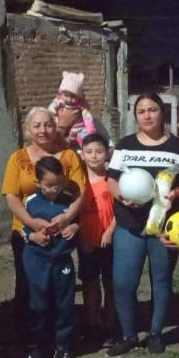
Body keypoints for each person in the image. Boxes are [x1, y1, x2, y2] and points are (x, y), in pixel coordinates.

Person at [106, 92, 179, 357]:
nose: (147, 115)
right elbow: (111, 179)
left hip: (164, 228)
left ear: (162, 112)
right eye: (142, 111)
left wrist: (176, 194)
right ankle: (129, 335)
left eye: (152, 110)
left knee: (162, 280)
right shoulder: (125, 144)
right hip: (129, 225)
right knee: (123, 283)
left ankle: (156, 334)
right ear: (136, 116)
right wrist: (122, 196)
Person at [1, 107, 86, 358]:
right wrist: (32, 224)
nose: (42, 130)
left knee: (60, 292)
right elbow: (11, 196)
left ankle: (60, 342)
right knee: (29, 289)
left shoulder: (69, 156)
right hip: (28, 235)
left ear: (55, 126)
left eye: (48, 124)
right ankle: (30, 343)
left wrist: (68, 219)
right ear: (29, 129)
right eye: (36, 125)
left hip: (61, 234)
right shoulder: (18, 158)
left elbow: (80, 193)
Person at [22, 156, 80, 358]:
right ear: (38, 183)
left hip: (62, 261)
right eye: (48, 186)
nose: (54, 189)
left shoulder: (68, 200)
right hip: (36, 261)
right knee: (37, 304)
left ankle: (63, 346)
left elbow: (77, 220)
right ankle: (34, 347)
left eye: (58, 184)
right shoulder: (30, 202)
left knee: (64, 304)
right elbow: (23, 228)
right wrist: (33, 236)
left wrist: (74, 228)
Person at [77, 133, 118, 346]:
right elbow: (75, 213)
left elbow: (120, 209)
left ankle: (110, 323)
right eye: (89, 152)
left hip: (110, 240)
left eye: (99, 151)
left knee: (111, 282)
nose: (94, 156)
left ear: (107, 153)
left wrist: (110, 231)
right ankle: (92, 322)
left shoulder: (111, 178)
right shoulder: (78, 180)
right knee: (90, 283)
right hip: (87, 241)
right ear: (82, 154)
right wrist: (82, 237)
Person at [48, 71, 96, 150]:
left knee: (85, 138)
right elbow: (50, 112)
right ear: (60, 94)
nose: (69, 99)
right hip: (59, 130)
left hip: (78, 128)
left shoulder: (81, 105)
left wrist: (90, 128)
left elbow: (87, 116)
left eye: (73, 97)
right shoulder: (59, 102)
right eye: (66, 95)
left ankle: (84, 147)